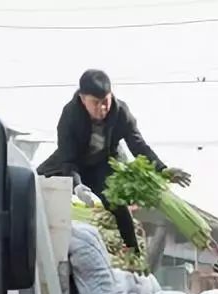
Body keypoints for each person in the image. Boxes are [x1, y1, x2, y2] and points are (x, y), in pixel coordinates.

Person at [37, 69, 191, 253]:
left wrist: (162, 169)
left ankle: (133, 252)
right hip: (71, 162)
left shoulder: (121, 112)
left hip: (101, 165)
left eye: (105, 102)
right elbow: (67, 158)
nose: (102, 108)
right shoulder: (70, 115)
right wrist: (77, 184)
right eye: (95, 103)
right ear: (82, 98)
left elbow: (138, 145)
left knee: (117, 205)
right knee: (35, 182)